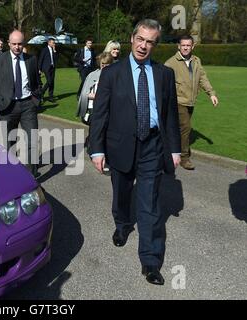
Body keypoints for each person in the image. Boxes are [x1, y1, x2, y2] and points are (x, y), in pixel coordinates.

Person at [89, 19, 181, 285]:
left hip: (152, 145)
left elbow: (171, 116)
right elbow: (100, 115)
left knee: (150, 205)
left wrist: (175, 149)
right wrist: (97, 149)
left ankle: (150, 261)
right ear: (132, 38)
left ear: (155, 44)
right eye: (140, 39)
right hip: (120, 146)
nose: (144, 46)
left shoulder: (164, 74)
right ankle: (122, 224)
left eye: (150, 42)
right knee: (122, 194)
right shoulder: (112, 73)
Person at [0, 30, 41, 177]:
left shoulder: (31, 60)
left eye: (20, 44)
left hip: (28, 105)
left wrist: (36, 99)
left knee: (32, 140)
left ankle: (31, 174)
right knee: (8, 143)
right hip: (7, 107)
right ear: (9, 43)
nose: (17, 47)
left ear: (24, 43)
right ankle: (10, 172)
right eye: (14, 44)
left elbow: (37, 83)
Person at [165, 35, 219, 170]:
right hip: (178, 101)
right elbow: (163, 83)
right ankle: (184, 158)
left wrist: (211, 93)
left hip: (190, 101)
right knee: (186, 128)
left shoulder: (196, 61)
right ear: (178, 46)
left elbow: (202, 78)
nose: (185, 48)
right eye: (183, 45)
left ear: (192, 46)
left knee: (178, 129)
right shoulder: (171, 63)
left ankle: (170, 151)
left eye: (188, 45)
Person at [77, 52, 113, 175]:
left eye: (108, 64)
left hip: (109, 111)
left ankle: (104, 157)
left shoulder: (115, 76)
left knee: (107, 134)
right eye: (103, 64)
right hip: (94, 110)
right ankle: (96, 153)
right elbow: (84, 94)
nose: (105, 67)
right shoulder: (93, 75)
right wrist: (98, 97)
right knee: (96, 132)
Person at [38, 37, 58, 103]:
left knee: (52, 83)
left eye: (54, 43)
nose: (54, 44)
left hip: (52, 67)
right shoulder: (44, 50)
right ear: (49, 43)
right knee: (49, 81)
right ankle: (41, 93)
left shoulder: (53, 50)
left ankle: (51, 97)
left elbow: (56, 59)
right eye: (53, 43)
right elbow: (41, 59)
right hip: (46, 68)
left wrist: (54, 51)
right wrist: (39, 68)